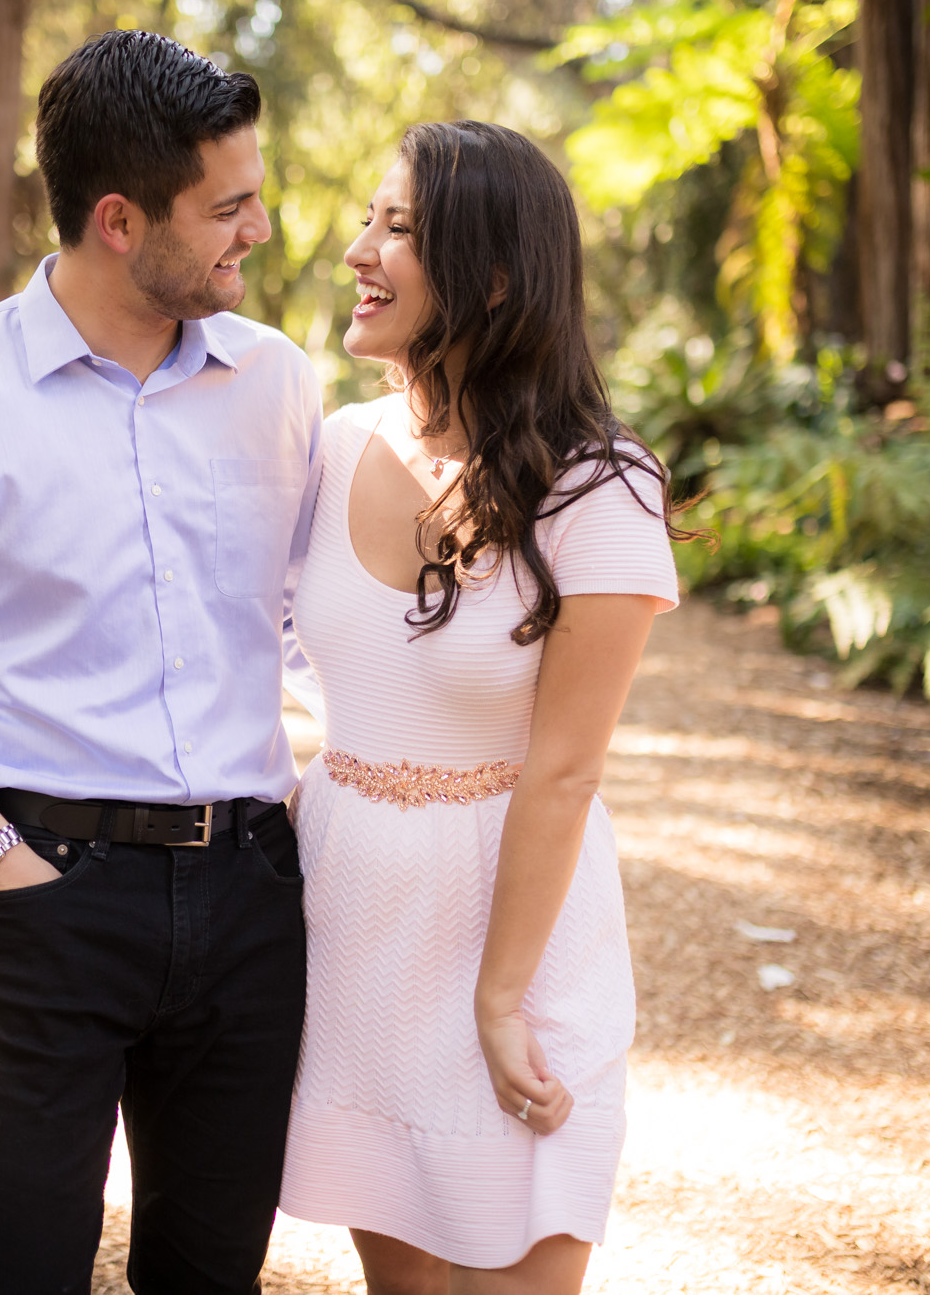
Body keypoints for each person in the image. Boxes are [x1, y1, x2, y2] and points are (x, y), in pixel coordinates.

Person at [0, 31, 321, 1295]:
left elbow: (317, 617)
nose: (256, 228)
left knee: (210, 1274)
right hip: (42, 892)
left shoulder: (278, 384)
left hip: (251, 891)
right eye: (227, 207)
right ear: (115, 219)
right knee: (15, 1268)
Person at [278, 121, 689, 1294]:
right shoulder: (326, 447)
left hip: (514, 924)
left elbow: (564, 771)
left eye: (396, 228)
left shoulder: (598, 483)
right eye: (366, 218)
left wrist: (498, 999)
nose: (358, 250)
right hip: (348, 910)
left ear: (496, 276)